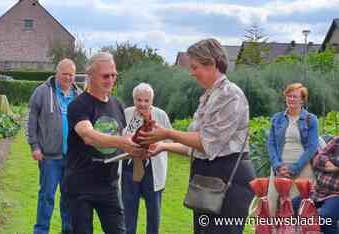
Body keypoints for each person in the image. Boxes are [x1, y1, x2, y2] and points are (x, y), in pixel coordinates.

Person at [140, 38, 255, 234]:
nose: (192, 73)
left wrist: (167, 133)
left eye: (195, 67)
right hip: (208, 180)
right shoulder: (210, 96)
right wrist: (163, 145)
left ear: (211, 63)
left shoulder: (230, 95)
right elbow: (196, 145)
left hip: (229, 181)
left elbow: (206, 143)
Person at [63, 52, 146, 234]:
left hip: (108, 185)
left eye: (114, 75)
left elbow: (125, 136)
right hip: (80, 186)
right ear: (90, 76)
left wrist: (140, 145)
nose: (111, 79)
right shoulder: (79, 105)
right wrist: (123, 142)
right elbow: (89, 136)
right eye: (105, 76)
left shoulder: (117, 104)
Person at [27, 58, 81, 234]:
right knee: (47, 197)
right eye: (64, 74)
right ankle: (41, 231)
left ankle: (68, 231)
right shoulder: (42, 92)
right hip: (49, 157)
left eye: (71, 74)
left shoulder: (79, 95)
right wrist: (34, 146)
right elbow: (32, 120)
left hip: (72, 158)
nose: (68, 78)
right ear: (57, 73)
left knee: (69, 199)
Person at [121, 83, 172, 234]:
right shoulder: (126, 113)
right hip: (129, 168)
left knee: (153, 212)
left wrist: (156, 144)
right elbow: (119, 138)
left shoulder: (160, 115)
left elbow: (170, 141)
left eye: (146, 100)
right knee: (128, 211)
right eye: (138, 100)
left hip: (153, 169)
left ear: (152, 101)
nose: (142, 104)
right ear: (133, 99)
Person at [267, 83, 319, 216]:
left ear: (302, 100)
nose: (291, 99)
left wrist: (294, 168)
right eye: (289, 96)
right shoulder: (277, 119)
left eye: (295, 96)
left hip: (302, 167)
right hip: (279, 167)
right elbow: (271, 143)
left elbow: (312, 147)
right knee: (271, 202)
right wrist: (278, 165)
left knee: (296, 205)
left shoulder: (310, 119)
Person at [293, 136, 339, 234]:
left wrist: (334, 166)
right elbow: (318, 158)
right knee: (294, 204)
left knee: (326, 218)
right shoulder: (337, 140)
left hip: (336, 194)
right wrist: (326, 162)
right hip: (319, 191)